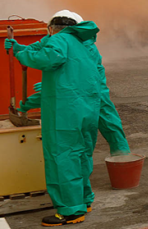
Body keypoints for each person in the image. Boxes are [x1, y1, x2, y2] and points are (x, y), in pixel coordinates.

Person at [5, 13, 102, 226]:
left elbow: (50, 56)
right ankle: (84, 199)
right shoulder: (82, 44)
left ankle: (70, 210)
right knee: (81, 155)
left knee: (62, 158)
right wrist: (21, 48)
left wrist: (21, 56)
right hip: (87, 110)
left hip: (65, 114)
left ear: (51, 29)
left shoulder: (59, 39)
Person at [21, 11, 131, 157]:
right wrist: (19, 47)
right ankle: (122, 158)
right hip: (86, 89)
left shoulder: (81, 46)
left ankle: (122, 156)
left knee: (105, 116)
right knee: (100, 121)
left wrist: (50, 86)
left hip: (90, 88)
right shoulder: (74, 41)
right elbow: (43, 46)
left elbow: (74, 76)